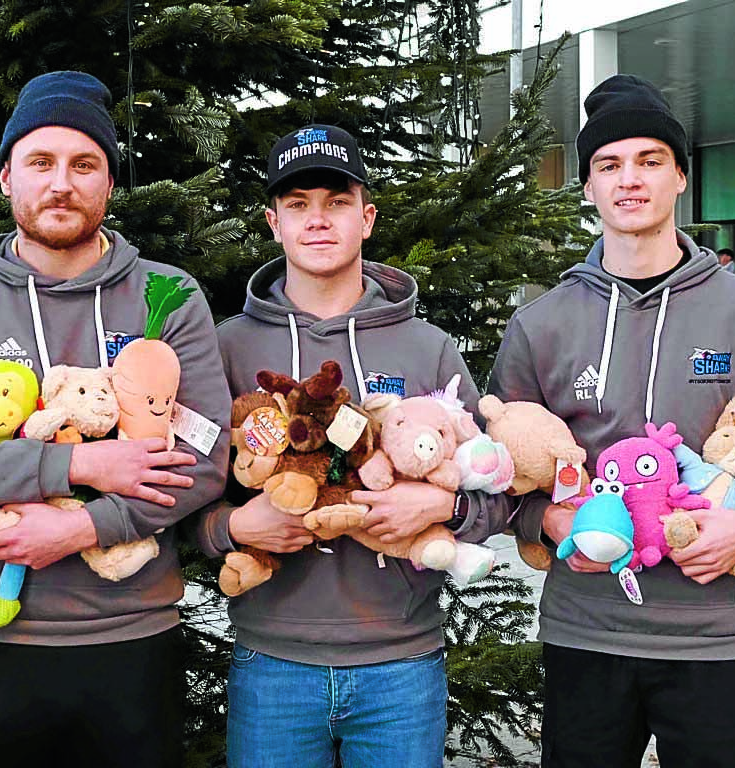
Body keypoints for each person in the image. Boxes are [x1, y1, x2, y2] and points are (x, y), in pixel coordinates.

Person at [0, 71, 230, 768]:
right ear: (7, 177)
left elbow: (203, 460)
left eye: (85, 165)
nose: (61, 184)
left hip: (131, 642)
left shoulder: (168, 295)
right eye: (40, 163)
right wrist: (76, 464)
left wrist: (82, 526)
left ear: (109, 184)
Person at [490, 74, 735, 768]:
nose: (629, 180)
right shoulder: (541, 325)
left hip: (715, 638)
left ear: (679, 175)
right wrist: (544, 522)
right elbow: (498, 473)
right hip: (586, 632)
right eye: (608, 165)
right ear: (587, 187)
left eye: (648, 161)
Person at [191, 125, 512, 768]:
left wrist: (441, 512)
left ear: (366, 218)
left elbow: (495, 486)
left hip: (402, 663)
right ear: (272, 222)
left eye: (336, 203)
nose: (317, 220)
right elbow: (183, 498)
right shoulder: (226, 348)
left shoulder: (428, 347)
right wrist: (233, 526)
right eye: (298, 204)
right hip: (272, 661)